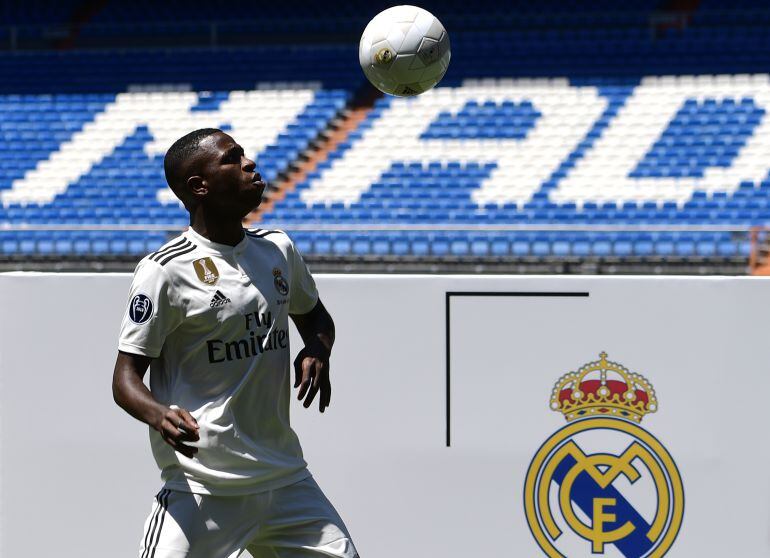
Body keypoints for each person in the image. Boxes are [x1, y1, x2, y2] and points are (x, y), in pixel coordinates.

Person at [112, 128, 358, 558]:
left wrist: (318, 349)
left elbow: (315, 316)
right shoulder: (164, 271)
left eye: (244, 155)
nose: (249, 164)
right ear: (199, 186)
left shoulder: (277, 249)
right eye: (232, 158)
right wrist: (159, 415)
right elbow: (125, 378)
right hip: (202, 487)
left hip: (285, 480)